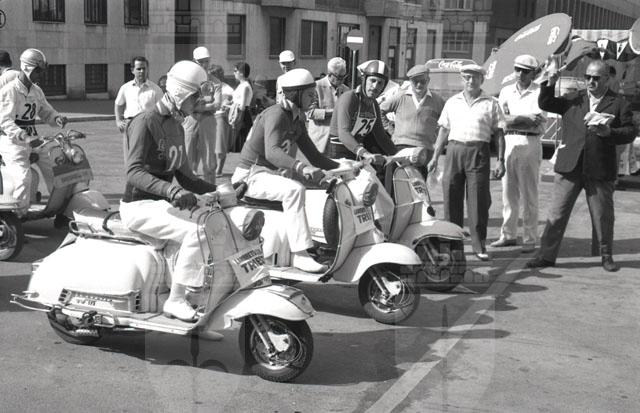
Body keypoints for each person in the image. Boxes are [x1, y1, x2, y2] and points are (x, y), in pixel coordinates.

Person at [120, 60, 243, 322]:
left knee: (217, 224)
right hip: (138, 206)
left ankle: (202, 308)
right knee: (198, 232)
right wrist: (172, 192)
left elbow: (186, 177)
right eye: (195, 96)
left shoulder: (177, 125)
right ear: (179, 93)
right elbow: (133, 172)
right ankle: (175, 300)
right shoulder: (144, 121)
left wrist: (224, 190)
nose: (199, 101)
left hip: (162, 204)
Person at [526, 60, 636, 272]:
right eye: (588, 77)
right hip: (570, 165)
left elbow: (630, 132)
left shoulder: (619, 103)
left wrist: (610, 133)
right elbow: (546, 103)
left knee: (603, 215)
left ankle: (606, 256)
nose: (591, 81)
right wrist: (549, 83)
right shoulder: (573, 98)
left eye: (596, 78)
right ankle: (546, 256)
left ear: (607, 79)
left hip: (600, 167)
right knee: (557, 213)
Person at [231, 68, 340, 273]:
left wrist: (344, 166)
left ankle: (310, 245)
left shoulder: (296, 118)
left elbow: (315, 156)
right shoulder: (276, 114)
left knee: (310, 189)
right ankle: (300, 254)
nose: (314, 99)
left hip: (266, 175)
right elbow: (272, 153)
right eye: (309, 94)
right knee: (294, 190)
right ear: (295, 94)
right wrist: (301, 167)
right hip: (249, 176)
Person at [428, 63, 506, 261]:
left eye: (475, 77)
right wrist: (435, 157)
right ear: (462, 79)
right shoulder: (452, 102)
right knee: (451, 197)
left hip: (479, 152)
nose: (471, 81)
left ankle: (479, 245)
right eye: (467, 77)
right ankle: (452, 246)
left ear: (482, 79)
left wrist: (500, 161)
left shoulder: (491, 103)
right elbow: (443, 130)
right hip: (454, 151)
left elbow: (499, 134)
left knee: (478, 200)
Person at [328, 60, 397, 234]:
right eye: (372, 81)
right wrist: (364, 152)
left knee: (382, 198)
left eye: (380, 83)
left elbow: (381, 136)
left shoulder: (373, 105)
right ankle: (370, 231)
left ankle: (380, 231)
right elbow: (344, 133)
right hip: (339, 155)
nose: (375, 86)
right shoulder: (349, 98)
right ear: (364, 79)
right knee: (363, 193)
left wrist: (399, 155)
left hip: (357, 156)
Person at [0, 48, 68, 217]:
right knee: (23, 178)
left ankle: (59, 208)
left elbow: (46, 111)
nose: (41, 75)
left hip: (33, 139)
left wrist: (57, 118)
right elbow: (5, 121)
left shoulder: (37, 91)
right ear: (27, 68)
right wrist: (24, 137)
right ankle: (16, 217)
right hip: (11, 142)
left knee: (56, 167)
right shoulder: (10, 91)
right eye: (38, 71)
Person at [490, 55, 547, 253]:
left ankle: (530, 238)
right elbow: (500, 120)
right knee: (508, 192)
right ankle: (508, 235)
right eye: (517, 69)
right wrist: (522, 118)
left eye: (525, 71)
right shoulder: (506, 91)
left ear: (534, 73)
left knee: (529, 193)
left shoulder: (539, 92)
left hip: (529, 141)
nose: (520, 74)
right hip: (508, 142)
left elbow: (536, 121)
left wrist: (512, 118)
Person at [380, 63, 445, 177]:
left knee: (420, 183)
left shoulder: (437, 101)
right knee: (399, 181)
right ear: (410, 81)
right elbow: (379, 110)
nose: (419, 85)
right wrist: (390, 130)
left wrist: (436, 137)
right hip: (400, 147)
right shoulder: (400, 97)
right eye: (415, 82)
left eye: (423, 81)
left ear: (428, 80)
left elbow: (447, 123)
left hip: (424, 150)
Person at [182, 46, 220, 184]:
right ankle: (188, 190)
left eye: (206, 61)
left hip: (208, 121)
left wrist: (197, 107)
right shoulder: (188, 81)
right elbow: (185, 103)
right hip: (190, 120)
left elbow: (217, 104)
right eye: (201, 61)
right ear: (194, 61)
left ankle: (210, 189)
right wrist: (205, 105)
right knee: (188, 158)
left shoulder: (215, 82)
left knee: (209, 161)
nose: (204, 64)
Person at [114, 56, 163, 162]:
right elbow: (118, 104)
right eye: (139, 69)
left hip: (148, 127)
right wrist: (118, 120)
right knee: (130, 157)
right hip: (130, 125)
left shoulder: (156, 90)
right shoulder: (126, 88)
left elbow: (162, 110)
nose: (142, 71)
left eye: (144, 68)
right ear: (132, 70)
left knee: (147, 158)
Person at [306, 57, 350, 153]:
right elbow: (310, 112)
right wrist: (334, 112)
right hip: (320, 141)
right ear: (330, 74)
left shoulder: (346, 90)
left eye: (344, 77)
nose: (342, 80)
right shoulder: (315, 87)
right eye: (339, 77)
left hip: (339, 142)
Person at [209, 64, 234, 177]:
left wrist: (225, 103)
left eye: (213, 75)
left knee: (220, 146)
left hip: (220, 117)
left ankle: (219, 170)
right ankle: (214, 168)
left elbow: (228, 102)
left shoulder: (226, 88)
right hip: (209, 118)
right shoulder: (208, 87)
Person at [229, 61, 253, 153]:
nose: (234, 73)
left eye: (235, 71)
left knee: (242, 142)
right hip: (240, 114)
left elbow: (242, 106)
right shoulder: (242, 85)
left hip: (242, 115)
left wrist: (232, 107)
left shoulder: (245, 86)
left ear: (242, 73)